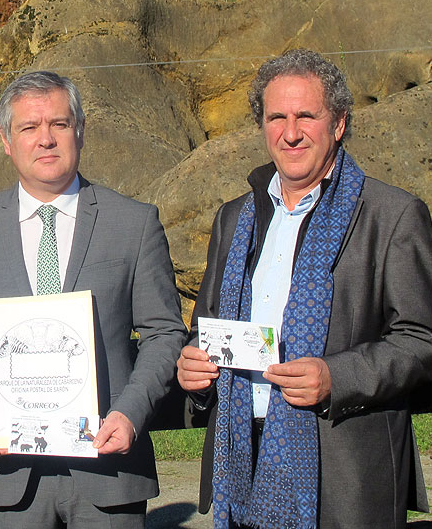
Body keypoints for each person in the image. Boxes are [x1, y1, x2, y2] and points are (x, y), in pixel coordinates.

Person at [176, 48, 432, 529]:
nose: (290, 132)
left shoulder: (392, 216)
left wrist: (339, 376)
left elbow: (421, 341)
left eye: (305, 116)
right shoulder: (235, 218)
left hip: (344, 474)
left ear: (337, 124)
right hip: (241, 463)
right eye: (277, 117)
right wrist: (193, 361)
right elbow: (205, 328)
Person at [0, 70, 186, 528]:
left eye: (59, 125)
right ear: (7, 140)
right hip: (9, 471)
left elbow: (164, 332)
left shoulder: (134, 223)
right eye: (29, 127)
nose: (45, 139)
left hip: (109, 469)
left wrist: (129, 412)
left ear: (80, 131)